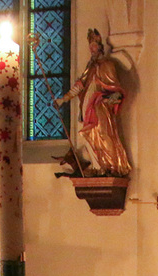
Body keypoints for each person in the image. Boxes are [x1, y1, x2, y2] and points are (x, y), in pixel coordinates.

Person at [55, 29, 131, 177]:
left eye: (94, 45)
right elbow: (79, 87)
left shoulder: (107, 65)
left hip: (101, 106)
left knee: (104, 135)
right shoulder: (89, 69)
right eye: (90, 46)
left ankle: (112, 165)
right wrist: (63, 100)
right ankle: (98, 166)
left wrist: (114, 96)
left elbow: (115, 87)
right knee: (89, 136)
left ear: (100, 47)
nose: (91, 49)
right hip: (88, 106)